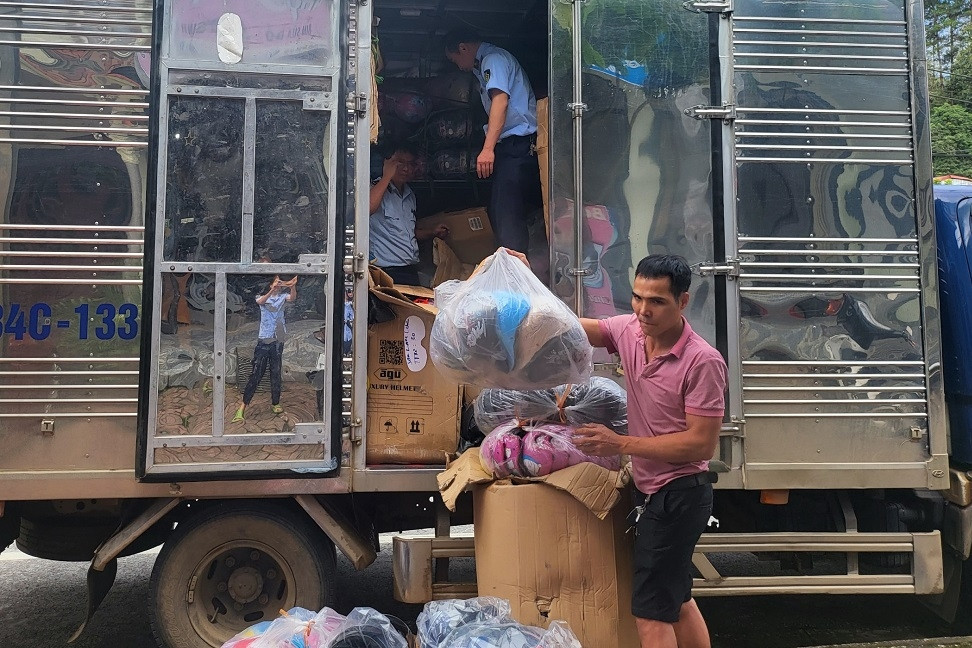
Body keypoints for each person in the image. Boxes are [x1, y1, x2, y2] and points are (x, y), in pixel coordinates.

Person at [505, 249, 727, 648]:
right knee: (676, 599)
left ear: (683, 302)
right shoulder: (629, 331)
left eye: (657, 301)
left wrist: (620, 443)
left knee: (648, 613)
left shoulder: (702, 362)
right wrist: (527, 280)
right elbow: (566, 326)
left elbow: (701, 443)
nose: (644, 310)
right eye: (638, 297)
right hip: (652, 490)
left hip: (679, 494)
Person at [444, 29, 542, 254]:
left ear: (463, 48)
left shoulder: (493, 60)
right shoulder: (486, 64)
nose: (458, 66)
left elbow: (500, 101)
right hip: (514, 146)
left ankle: (513, 277)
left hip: (516, 144)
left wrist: (487, 150)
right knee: (504, 211)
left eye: (455, 59)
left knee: (506, 214)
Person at [370, 144, 448, 285]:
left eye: (410, 164)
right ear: (388, 163)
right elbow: (366, 209)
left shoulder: (409, 195)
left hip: (410, 270)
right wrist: (386, 176)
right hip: (385, 271)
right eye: (399, 163)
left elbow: (407, 233)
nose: (405, 168)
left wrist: (432, 232)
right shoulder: (375, 189)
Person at [233, 275, 297, 422]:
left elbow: (292, 298)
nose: (279, 285)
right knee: (257, 372)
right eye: (276, 282)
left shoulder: (283, 297)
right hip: (264, 339)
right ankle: (243, 406)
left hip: (278, 338)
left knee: (275, 371)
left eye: (280, 283)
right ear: (270, 284)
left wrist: (292, 286)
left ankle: (276, 402)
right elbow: (260, 301)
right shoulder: (262, 297)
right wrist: (271, 291)